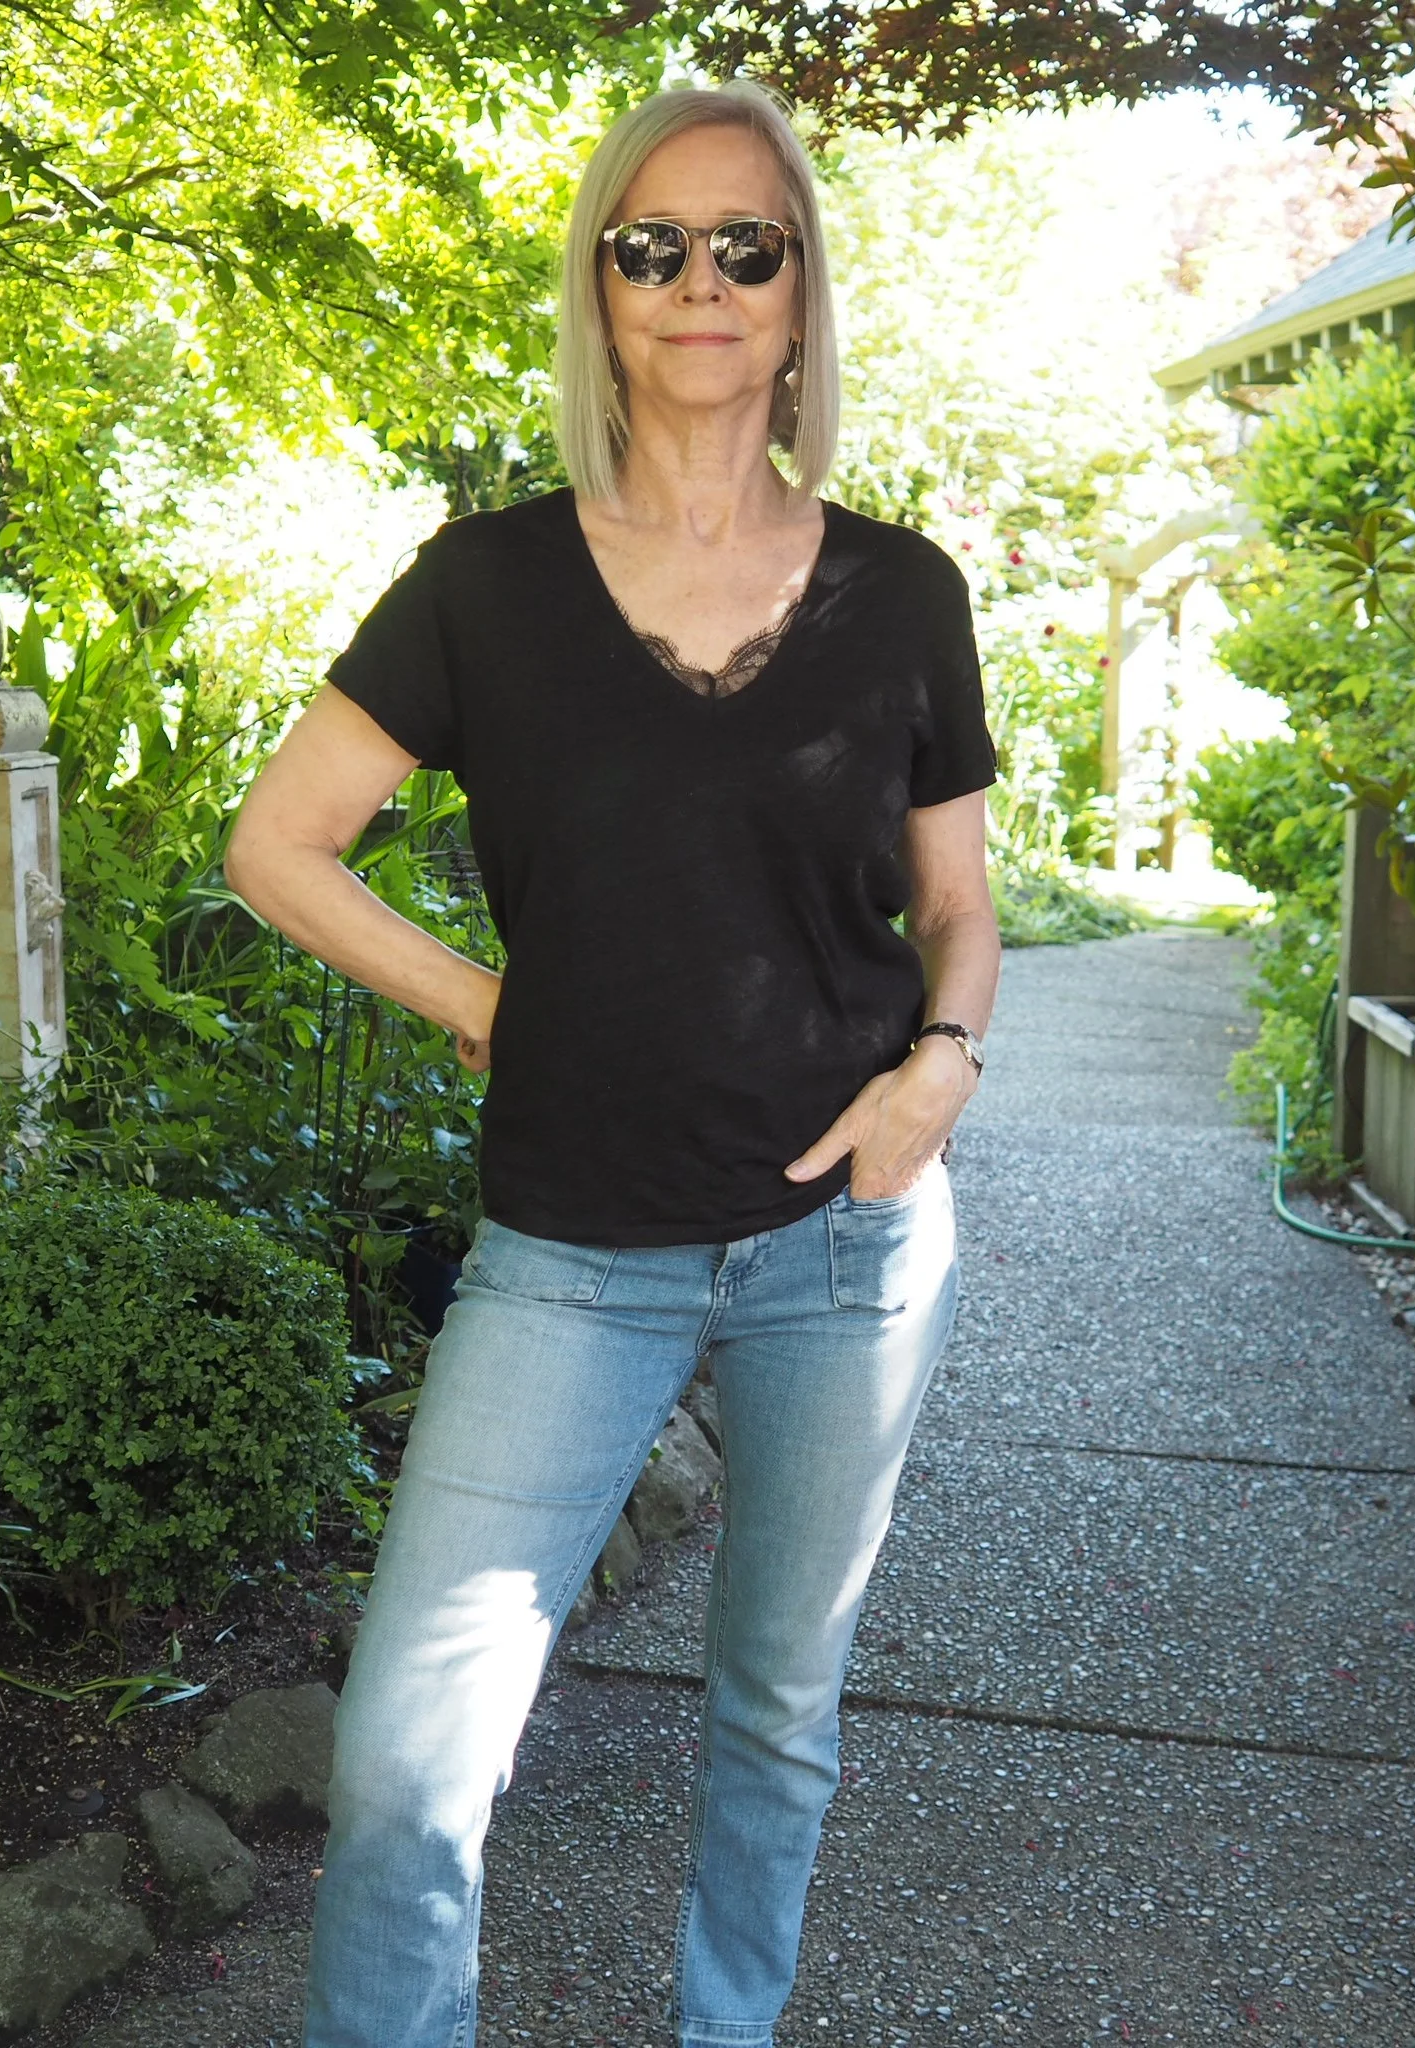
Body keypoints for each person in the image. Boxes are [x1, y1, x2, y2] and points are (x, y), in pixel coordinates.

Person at [223, 77, 1001, 2048]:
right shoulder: (483, 585)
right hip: (570, 1251)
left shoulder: (904, 594)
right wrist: (486, 1002)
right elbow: (277, 844)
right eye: (653, 246)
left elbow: (958, 908)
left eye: (748, 245)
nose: (700, 282)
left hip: (849, 1244)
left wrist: (939, 1064)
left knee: (780, 1711)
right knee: (409, 1760)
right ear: (601, 290)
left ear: (802, 293)